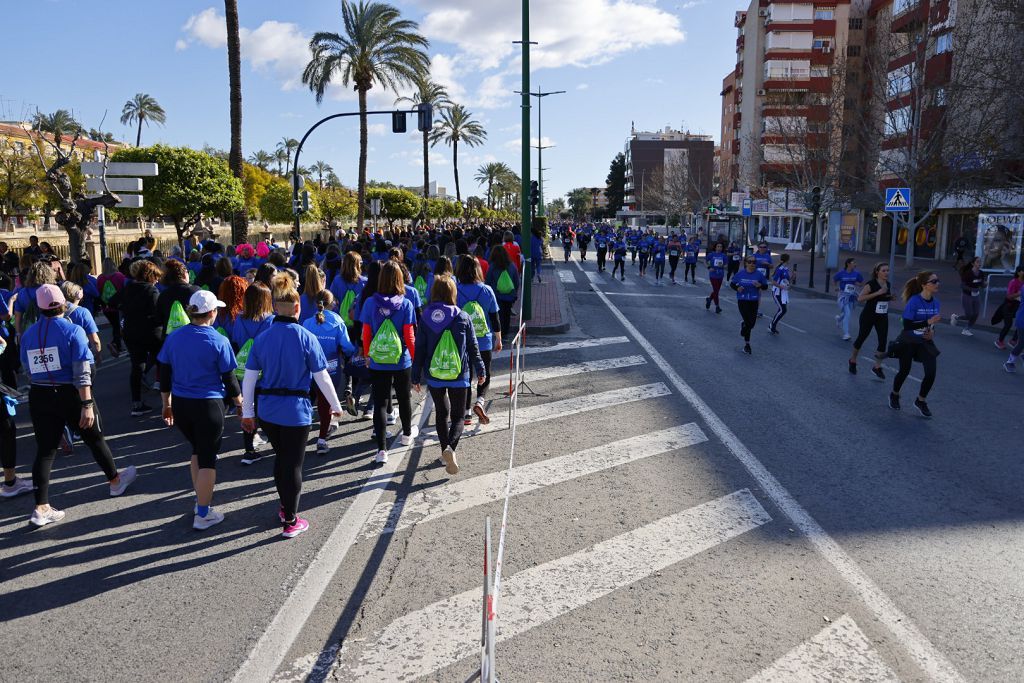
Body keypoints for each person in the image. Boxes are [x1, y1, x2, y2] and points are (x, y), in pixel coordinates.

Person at [21, 284, 136, 526]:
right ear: (63, 303)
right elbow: (82, 371)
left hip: (40, 394)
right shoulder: (73, 331)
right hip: (70, 393)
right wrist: (86, 403)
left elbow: (27, 369)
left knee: (45, 450)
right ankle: (115, 482)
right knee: (94, 438)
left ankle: (40, 507)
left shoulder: (29, 334)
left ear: (39, 308)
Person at [241, 273, 343, 538]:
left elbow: (249, 379)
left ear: (275, 307)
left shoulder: (262, 339)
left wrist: (248, 413)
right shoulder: (306, 337)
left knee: (281, 459)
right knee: (294, 465)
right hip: (296, 411)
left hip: (268, 411)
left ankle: (284, 506)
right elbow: (322, 377)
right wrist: (335, 405)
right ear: (297, 308)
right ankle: (290, 520)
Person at [158, 290, 242, 530]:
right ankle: (203, 514)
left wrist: (167, 404)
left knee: (197, 450)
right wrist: (239, 404)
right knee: (207, 459)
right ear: (213, 312)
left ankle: (200, 503)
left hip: (182, 405)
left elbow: (164, 374)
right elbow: (230, 379)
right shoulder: (219, 340)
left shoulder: (174, 337)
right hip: (209, 405)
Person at [412, 276, 486, 476]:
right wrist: (480, 369)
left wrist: (415, 376)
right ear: (453, 293)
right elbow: (473, 347)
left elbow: (419, 349)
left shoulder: (426, 317)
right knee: (458, 416)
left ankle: (445, 446)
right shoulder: (462, 317)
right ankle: (450, 448)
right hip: (459, 374)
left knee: (442, 413)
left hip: (434, 375)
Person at [359, 261, 418, 463]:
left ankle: (381, 449)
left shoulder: (370, 303)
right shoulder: (406, 304)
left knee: (381, 403)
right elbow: (409, 336)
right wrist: (414, 357)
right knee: (403, 398)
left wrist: (367, 355)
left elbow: (366, 333)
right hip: (401, 360)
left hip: (378, 359)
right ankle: (407, 434)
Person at [302, 289, 356, 456]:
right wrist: (354, 352)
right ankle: (321, 440)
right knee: (325, 404)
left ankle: (300, 435)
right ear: (332, 304)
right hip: (331, 367)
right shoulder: (338, 321)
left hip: (309, 368)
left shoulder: (307, 323)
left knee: (307, 400)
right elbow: (347, 347)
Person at [230, 281, 274, 464]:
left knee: (248, 408)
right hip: (264, 371)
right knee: (265, 408)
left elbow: (235, 341)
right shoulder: (270, 320)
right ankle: (272, 437)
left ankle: (249, 450)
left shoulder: (239, 319)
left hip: (244, 370)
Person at [456, 255, 501, 426]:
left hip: (463, 340)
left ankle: (466, 413)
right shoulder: (486, 290)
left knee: (466, 375)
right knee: (485, 373)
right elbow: (494, 318)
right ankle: (480, 401)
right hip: (483, 339)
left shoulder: (456, 289)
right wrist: (498, 338)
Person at [890, 272, 941, 417]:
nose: (937, 284)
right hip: (908, 340)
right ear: (924, 285)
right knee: (904, 371)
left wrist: (932, 333)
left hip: (925, 341)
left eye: (938, 281)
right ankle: (894, 394)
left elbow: (932, 326)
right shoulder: (914, 301)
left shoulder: (936, 303)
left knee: (931, 373)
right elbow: (907, 325)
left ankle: (921, 400)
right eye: (934, 281)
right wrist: (927, 322)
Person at [119, 260, 163, 416]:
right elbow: (158, 315)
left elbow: (113, 302)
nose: (157, 280)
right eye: (156, 277)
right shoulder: (152, 291)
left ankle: (136, 404)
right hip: (151, 333)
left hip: (131, 332)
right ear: (150, 276)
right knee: (163, 363)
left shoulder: (127, 288)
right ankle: (167, 401)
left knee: (137, 367)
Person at [848, 263, 893, 378]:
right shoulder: (870, 284)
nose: (886, 273)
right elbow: (860, 298)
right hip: (868, 315)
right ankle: (853, 360)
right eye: (884, 271)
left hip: (882, 316)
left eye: (888, 270)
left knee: (883, 341)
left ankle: (877, 367)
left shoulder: (888, 284)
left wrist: (890, 297)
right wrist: (878, 293)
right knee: (861, 338)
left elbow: (883, 298)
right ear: (877, 272)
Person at [730, 255, 769, 355]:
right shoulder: (740, 274)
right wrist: (737, 288)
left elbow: (765, 286)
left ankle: (744, 326)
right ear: (746, 263)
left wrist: (760, 285)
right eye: (750, 262)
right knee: (748, 322)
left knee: (751, 324)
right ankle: (747, 345)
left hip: (753, 301)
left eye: (754, 262)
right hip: (742, 300)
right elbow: (732, 284)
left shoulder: (759, 275)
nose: (752, 264)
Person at [485, 245, 520, 342]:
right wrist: (514, 293)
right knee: (507, 314)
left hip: (496, 295)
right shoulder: (512, 265)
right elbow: (516, 281)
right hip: (509, 295)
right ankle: (505, 333)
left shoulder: (492, 266)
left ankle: (499, 333)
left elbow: (488, 281)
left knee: (498, 315)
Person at [96, 257, 126, 357]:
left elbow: (98, 292)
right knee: (119, 327)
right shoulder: (119, 276)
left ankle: (117, 345)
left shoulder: (100, 278)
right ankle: (115, 344)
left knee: (115, 326)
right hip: (118, 306)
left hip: (106, 307)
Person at [950, 257, 984, 336]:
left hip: (976, 296)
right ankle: (956, 317)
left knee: (976, 314)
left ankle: (967, 329)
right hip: (967, 296)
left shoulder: (981, 273)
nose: (979, 263)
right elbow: (962, 286)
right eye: (977, 262)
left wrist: (985, 284)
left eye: (980, 262)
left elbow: (981, 284)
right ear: (973, 264)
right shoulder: (968, 273)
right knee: (969, 315)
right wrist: (972, 289)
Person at [833, 258, 864, 341]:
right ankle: (846, 334)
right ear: (848, 264)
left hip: (852, 296)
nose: (855, 264)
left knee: (846, 313)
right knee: (848, 313)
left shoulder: (857, 273)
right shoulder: (841, 273)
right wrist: (836, 287)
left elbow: (861, 282)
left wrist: (858, 284)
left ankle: (839, 319)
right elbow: (835, 279)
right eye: (853, 263)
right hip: (843, 295)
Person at [993, 266, 1024, 350]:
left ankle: (1013, 341)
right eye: (1023, 271)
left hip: (1018, 306)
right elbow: (1009, 296)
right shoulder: (1013, 282)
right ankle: (999, 341)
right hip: (1009, 306)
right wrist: (1019, 293)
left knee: (1021, 323)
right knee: (1008, 324)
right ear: (1018, 273)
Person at [768, 253, 792, 335]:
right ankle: (772, 325)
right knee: (783, 310)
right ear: (788, 260)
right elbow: (774, 282)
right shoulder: (780, 269)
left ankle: (772, 326)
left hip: (783, 292)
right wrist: (782, 287)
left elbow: (787, 280)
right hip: (777, 292)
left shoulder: (786, 269)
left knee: (782, 309)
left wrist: (793, 276)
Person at [705, 242, 727, 314]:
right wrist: (709, 267)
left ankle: (709, 299)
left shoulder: (723, 255)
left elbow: (726, 265)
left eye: (721, 247)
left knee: (716, 291)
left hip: (720, 275)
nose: (719, 248)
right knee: (716, 291)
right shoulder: (711, 254)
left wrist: (723, 266)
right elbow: (705, 262)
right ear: (715, 247)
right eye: (718, 246)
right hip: (713, 275)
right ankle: (717, 306)